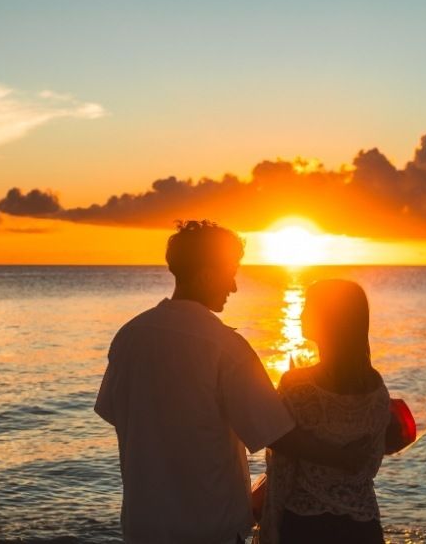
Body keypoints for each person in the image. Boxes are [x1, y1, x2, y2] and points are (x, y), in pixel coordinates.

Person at [95, 221, 369, 544]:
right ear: (206, 276)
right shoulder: (225, 348)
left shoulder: (129, 336)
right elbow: (278, 434)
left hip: (142, 530)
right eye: (230, 273)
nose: (234, 287)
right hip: (210, 532)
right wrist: (342, 456)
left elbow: (114, 412)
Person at [258, 279, 390, 544]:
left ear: (328, 318)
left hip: (307, 525)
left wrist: (270, 526)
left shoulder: (297, 386)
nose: (301, 313)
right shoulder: (376, 387)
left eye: (308, 306)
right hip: (364, 525)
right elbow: (371, 464)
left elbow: (282, 468)